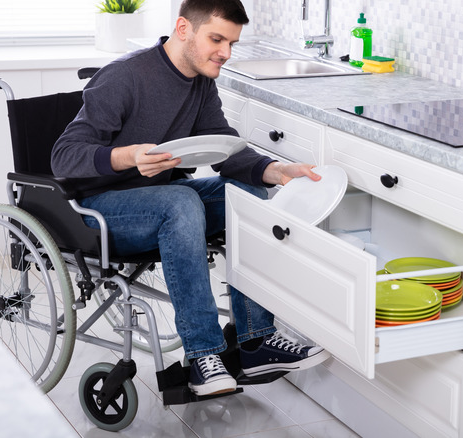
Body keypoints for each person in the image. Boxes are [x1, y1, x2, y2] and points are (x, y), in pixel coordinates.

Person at [51, 0, 330, 397]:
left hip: (158, 198)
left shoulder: (200, 81)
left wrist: (275, 171)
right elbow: (63, 157)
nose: (226, 53)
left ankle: (254, 342)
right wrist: (128, 156)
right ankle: (203, 355)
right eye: (217, 39)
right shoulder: (124, 77)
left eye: (232, 42)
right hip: (100, 210)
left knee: (247, 195)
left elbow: (225, 145)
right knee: (181, 201)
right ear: (183, 29)